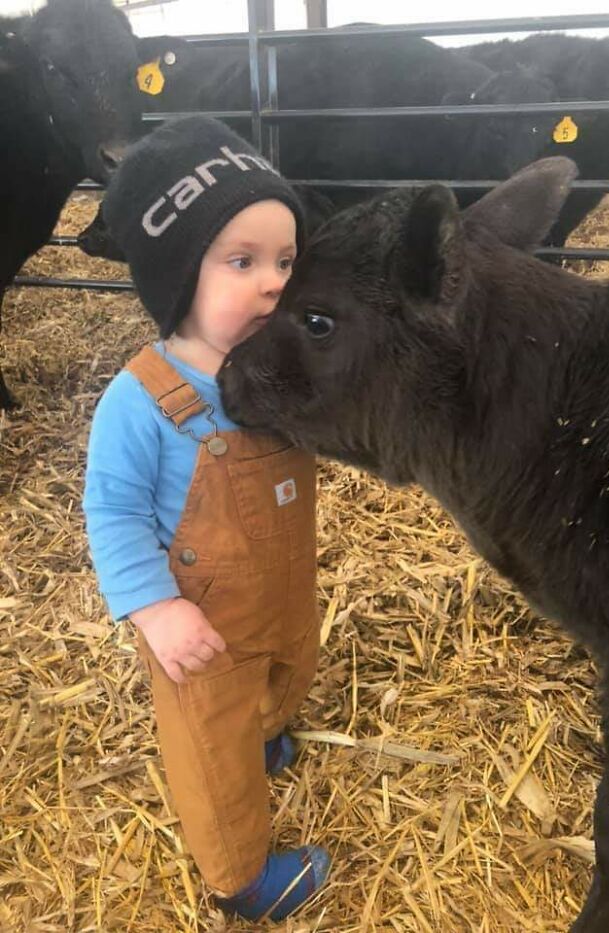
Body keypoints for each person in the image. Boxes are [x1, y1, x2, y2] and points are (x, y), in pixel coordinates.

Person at [83, 115, 329, 922]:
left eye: (285, 261)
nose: (273, 282)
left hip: (283, 592)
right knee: (211, 757)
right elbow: (112, 509)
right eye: (243, 261)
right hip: (202, 628)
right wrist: (155, 608)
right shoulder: (143, 399)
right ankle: (241, 878)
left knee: (290, 664)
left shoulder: (284, 363)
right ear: (178, 274)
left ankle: (264, 731)